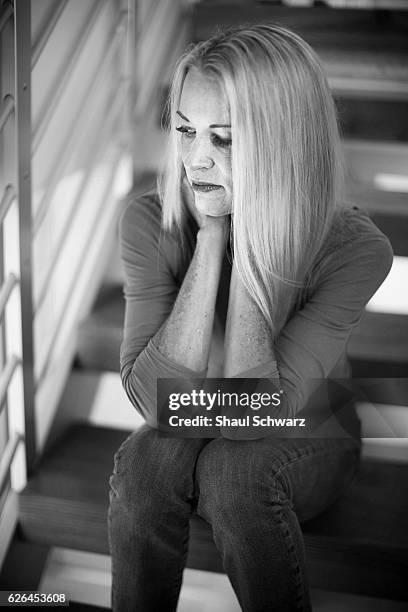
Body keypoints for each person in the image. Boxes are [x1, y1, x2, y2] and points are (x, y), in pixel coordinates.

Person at [108, 23, 393, 611]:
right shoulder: (148, 220)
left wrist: (251, 233)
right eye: (185, 130)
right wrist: (213, 231)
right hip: (193, 414)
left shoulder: (356, 249)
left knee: (235, 475)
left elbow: (257, 412)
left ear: (283, 141)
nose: (194, 158)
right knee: (141, 465)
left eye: (225, 140)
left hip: (314, 434)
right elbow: (148, 397)